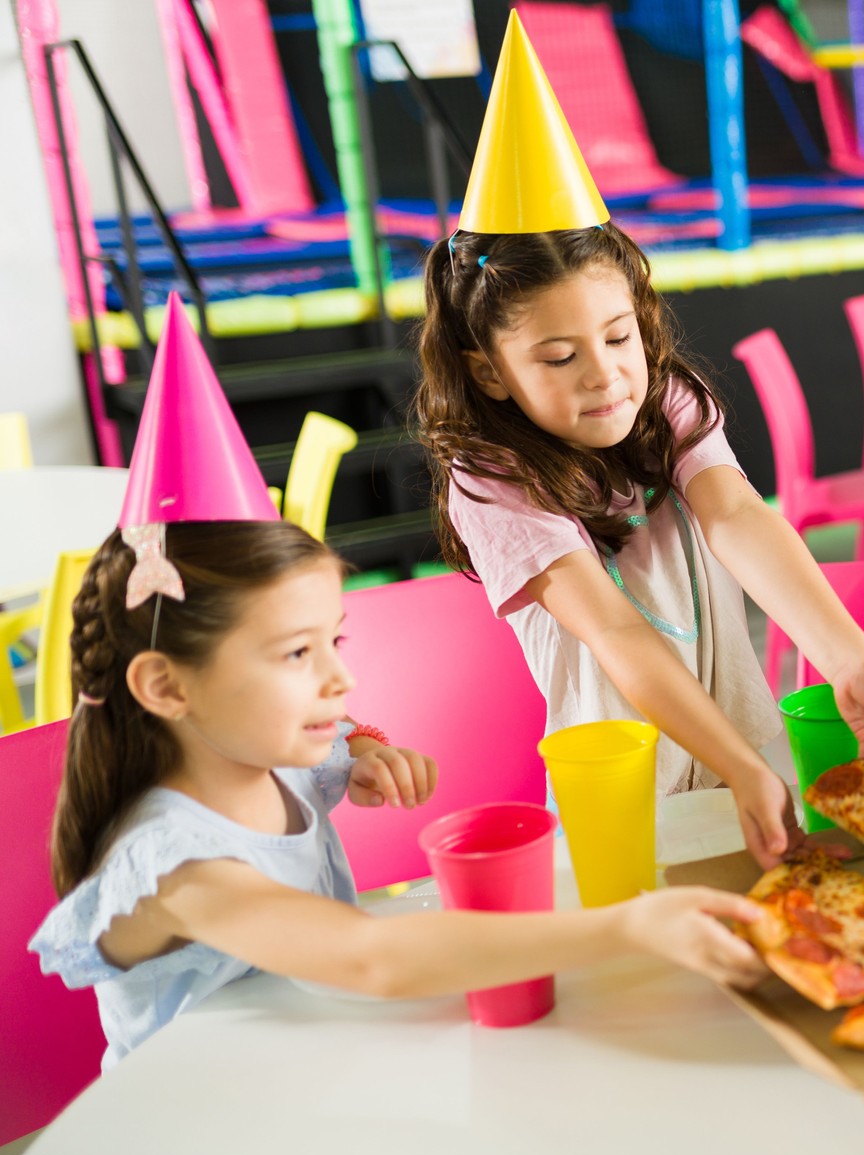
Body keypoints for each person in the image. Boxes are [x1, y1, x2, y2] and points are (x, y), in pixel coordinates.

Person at [30, 303, 765, 1069]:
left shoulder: (255, 755)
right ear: (165, 686)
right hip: (200, 1141)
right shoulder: (173, 865)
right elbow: (370, 956)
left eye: (331, 642)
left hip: (315, 1088)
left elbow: (332, 754)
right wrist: (627, 930)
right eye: (293, 656)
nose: (339, 677)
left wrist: (365, 750)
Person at [414, 17, 864, 867]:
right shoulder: (491, 475)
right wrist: (733, 761)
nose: (606, 375)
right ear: (491, 371)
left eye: (619, 337)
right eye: (558, 357)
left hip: (741, 747)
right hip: (625, 786)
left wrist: (851, 660)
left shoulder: (666, 397)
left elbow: (737, 519)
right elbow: (614, 632)